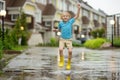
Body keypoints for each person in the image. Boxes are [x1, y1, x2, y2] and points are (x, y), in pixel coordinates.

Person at [54, 4, 80, 70]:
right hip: (62, 39)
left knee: (70, 51)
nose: (65, 17)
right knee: (60, 49)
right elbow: (59, 30)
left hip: (69, 39)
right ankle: (61, 61)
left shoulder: (70, 22)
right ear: (62, 17)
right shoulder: (60, 23)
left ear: (69, 17)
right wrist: (56, 30)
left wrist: (78, 9)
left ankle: (68, 63)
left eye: (67, 16)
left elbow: (77, 16)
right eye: (64, 16)